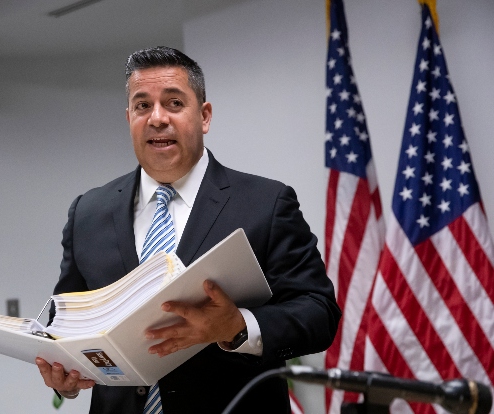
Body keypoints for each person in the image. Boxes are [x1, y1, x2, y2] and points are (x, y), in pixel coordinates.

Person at [36, 46, 341, 414]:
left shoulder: (266, 203)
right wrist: (64, 370)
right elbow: (67, 317)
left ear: (205, 116)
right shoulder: (88, 211)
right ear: (129, 116)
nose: (157, 118)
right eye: (142, 105)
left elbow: (319, 312)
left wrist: (237, 326)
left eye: (174, 103)